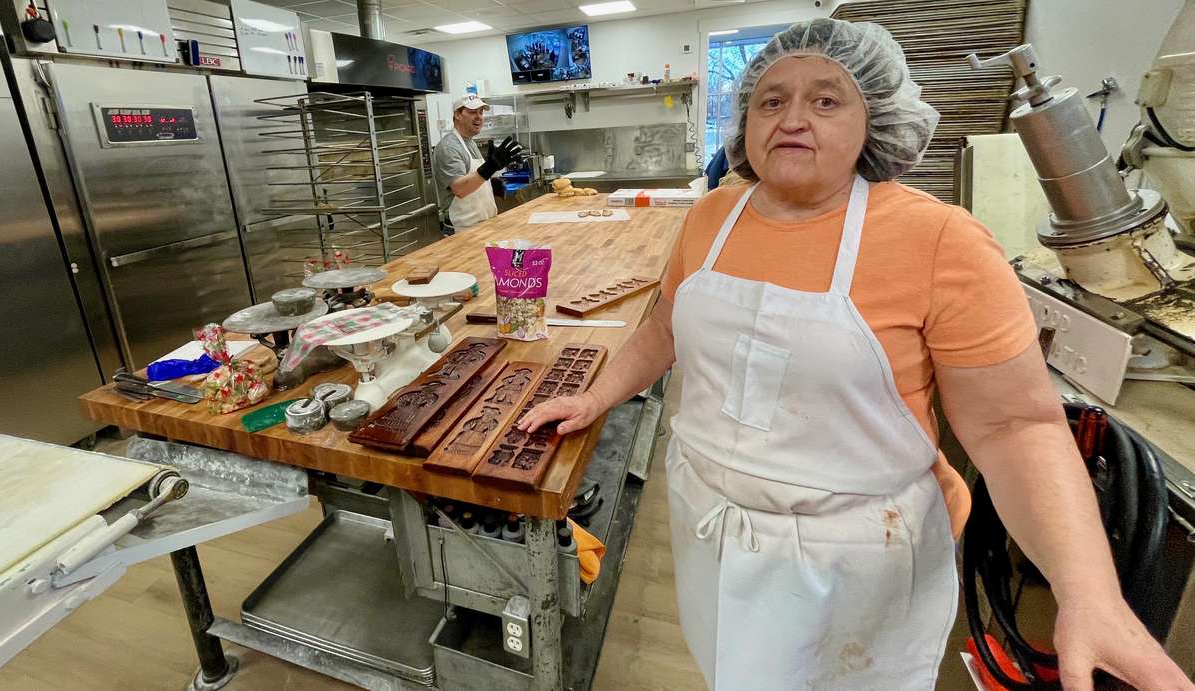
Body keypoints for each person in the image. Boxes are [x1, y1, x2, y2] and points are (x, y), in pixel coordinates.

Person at [519, 18, 1192, 691]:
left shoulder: (939, 240)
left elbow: (1016, 428)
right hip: (711, 532)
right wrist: (596, 394)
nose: (793, 116)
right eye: (771, 99)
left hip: (852, 565)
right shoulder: (710, 218)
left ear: (875, 119)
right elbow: (666, 323)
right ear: (745, 119)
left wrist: (1087, 590)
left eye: (826, 99)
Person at [431, 93, 524, 234]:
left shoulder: (471, 143)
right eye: (472, 112)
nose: (478, 117)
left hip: (483, 225)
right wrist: (490, 166)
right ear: (457, 114)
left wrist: (494, 178)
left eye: (481, 112)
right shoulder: (448, 147)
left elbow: (476, 178)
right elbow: (459, 189)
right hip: (461, 229)